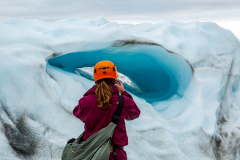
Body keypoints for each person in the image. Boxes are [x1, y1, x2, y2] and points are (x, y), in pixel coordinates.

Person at [73, 60, 141, 160]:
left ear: (96, 80)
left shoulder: (85, 101)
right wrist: (124, 93)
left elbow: (78, 113)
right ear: (114, 80)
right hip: (115, 155)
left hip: (90, 154)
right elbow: (134, 114)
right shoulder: (123, 101)